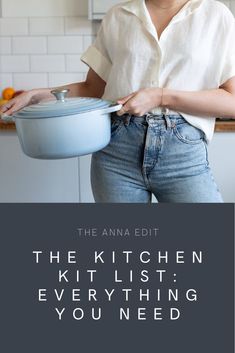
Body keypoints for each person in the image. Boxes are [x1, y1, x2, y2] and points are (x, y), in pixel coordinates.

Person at [1, 0, 235, 203]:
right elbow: (92, 88)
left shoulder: (216, 15)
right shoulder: (118, 16)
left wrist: (162, 96)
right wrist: (37, 95)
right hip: (116, 153)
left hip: (183, 155)